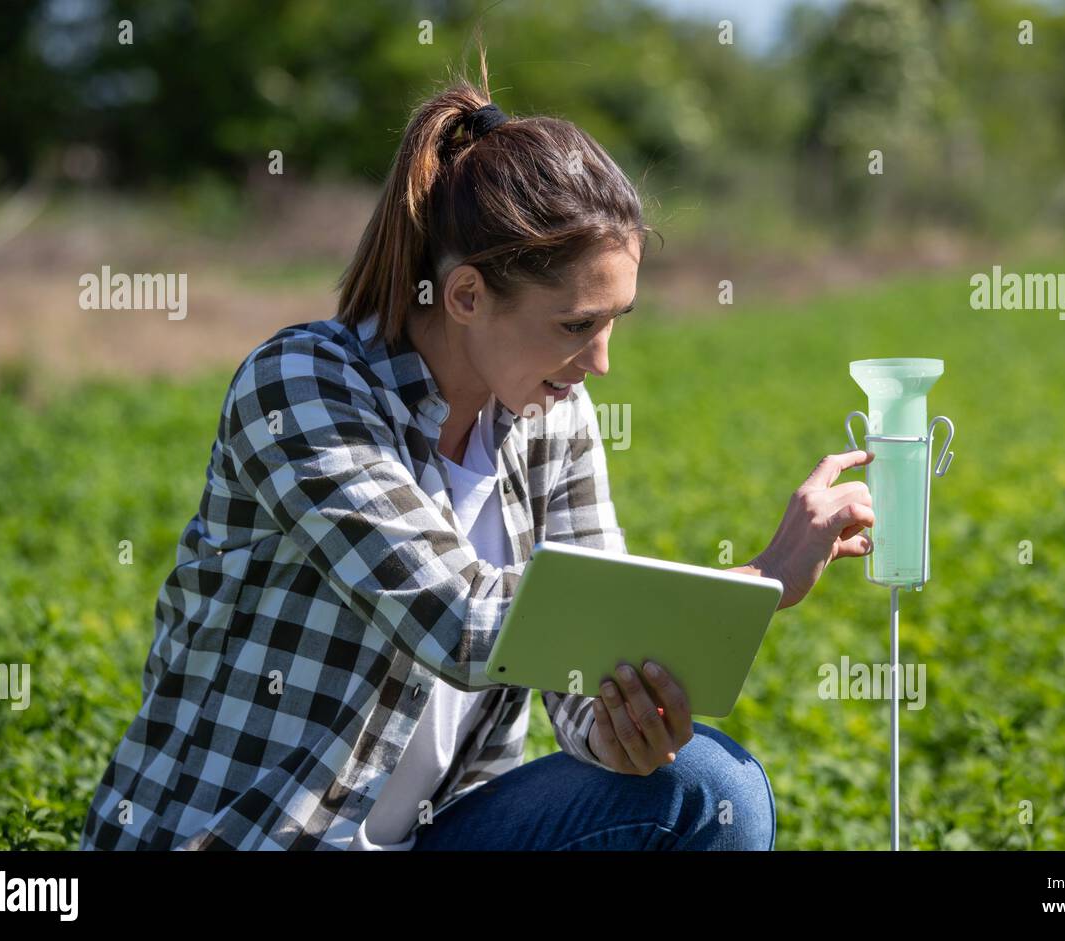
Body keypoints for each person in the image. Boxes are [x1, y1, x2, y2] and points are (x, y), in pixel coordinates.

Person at [79, 47, 874, 852]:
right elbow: (461, 624)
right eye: (575, 325)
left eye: (613, 322)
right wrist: (763, 579)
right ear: (465, 295)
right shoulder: (301, 387)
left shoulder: (554, 417)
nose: (600, 361)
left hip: (435, 835)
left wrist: (620, 728)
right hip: (249, 838)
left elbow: (577, 691)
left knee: (710, 789)